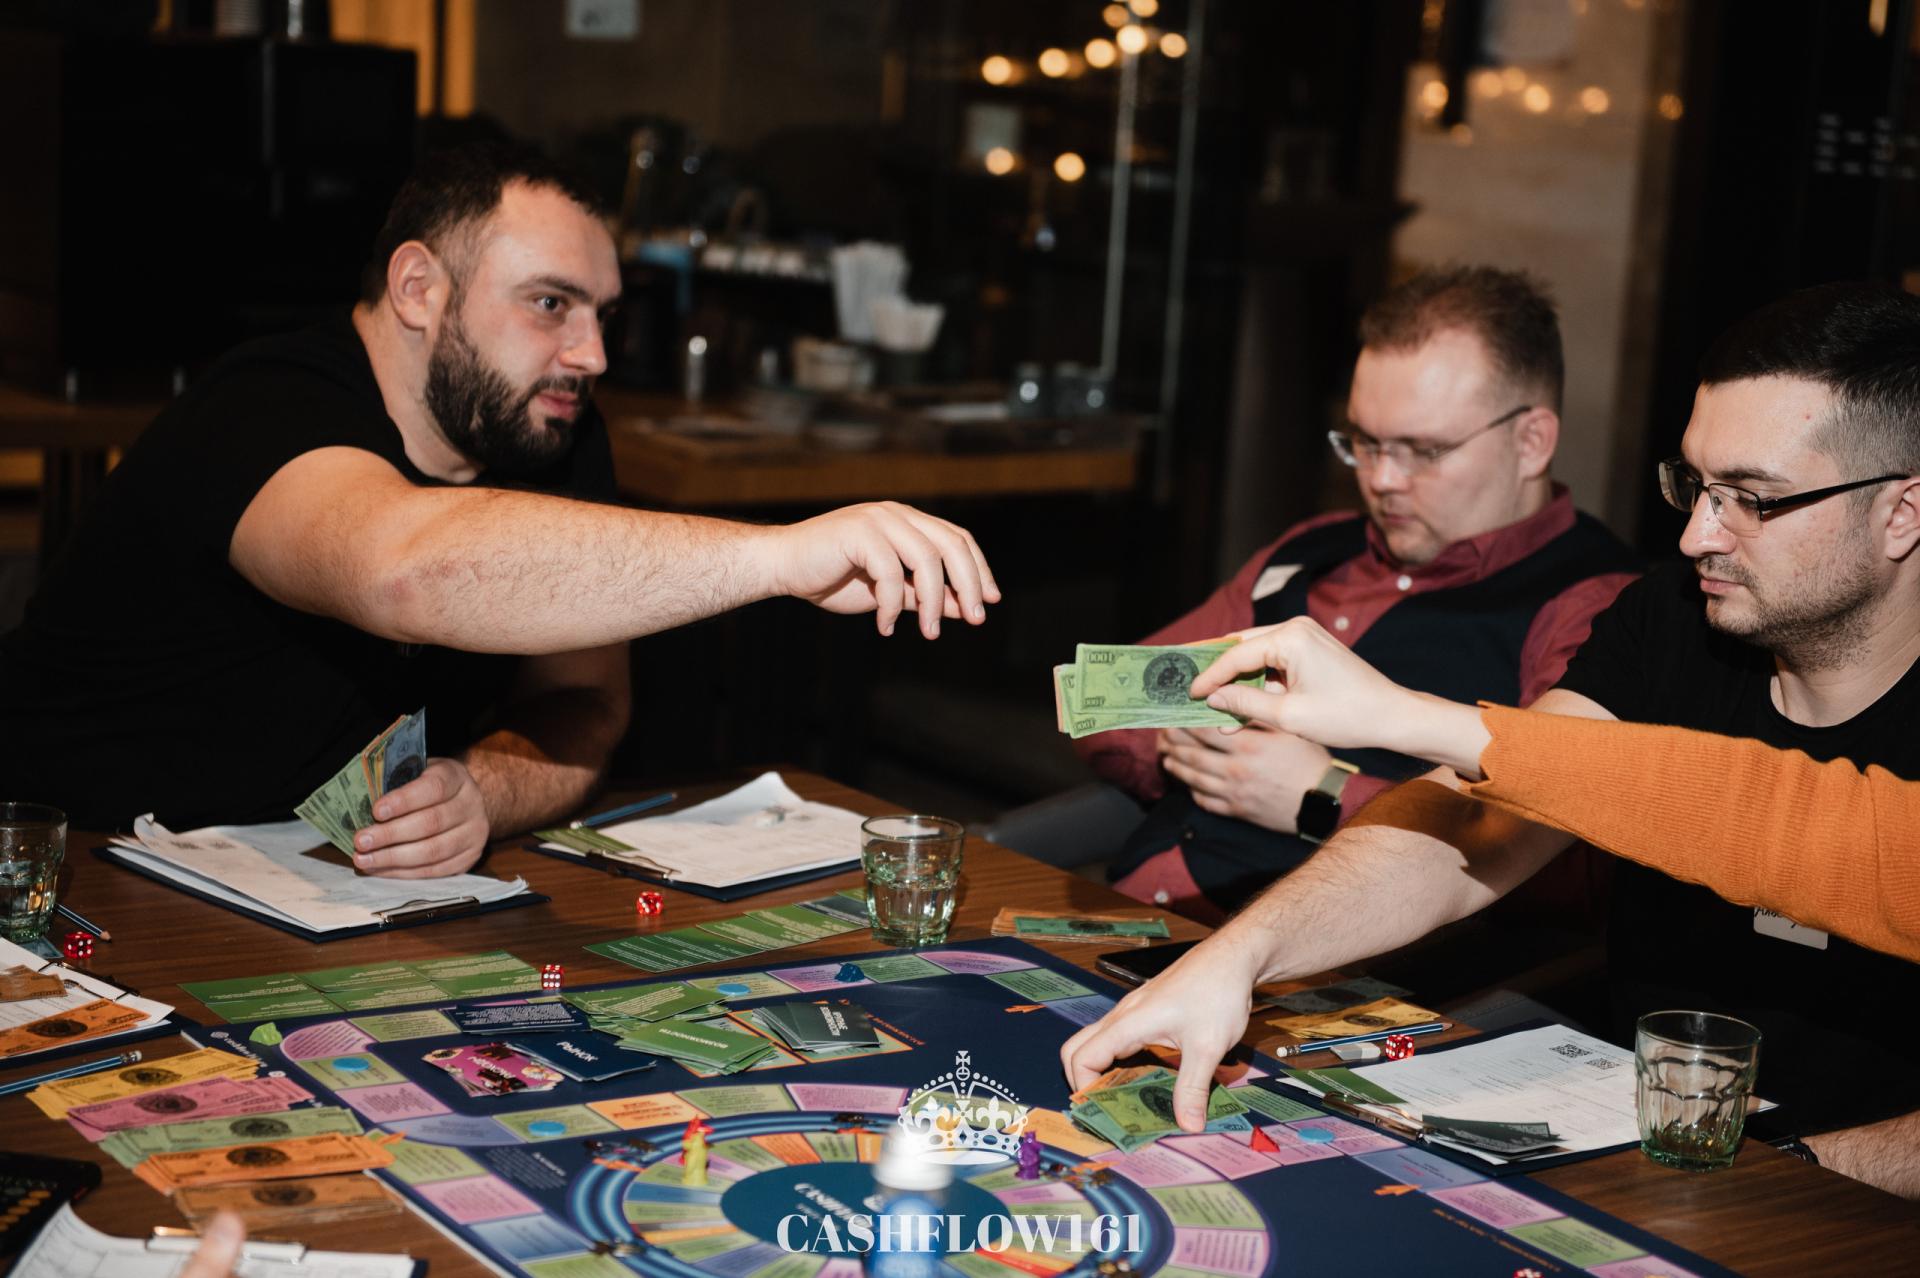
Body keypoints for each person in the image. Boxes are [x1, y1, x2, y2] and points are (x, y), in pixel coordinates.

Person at [1062, 281, 1920, 1198]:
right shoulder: (1673, 616)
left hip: (1845, 1198)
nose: (1697, 535)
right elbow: (1479, 821)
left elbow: (1802, 824)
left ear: (1902, 513)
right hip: (1623, 1150)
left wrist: (1792, 1176)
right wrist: (1239, 955)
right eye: (1695, 486)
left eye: (1751, 498)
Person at [0, 142, 998, 876]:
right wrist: (780, 557)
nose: (592, 355)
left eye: (603, 314)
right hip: (73, 868)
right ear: (418, 287)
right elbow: (405, 570)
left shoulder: (549, 429)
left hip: (314, 900)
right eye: (551, 304)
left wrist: (484, 788)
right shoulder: (265, 404)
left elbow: (587, 705)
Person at [1080, 266, 1638, 922]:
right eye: (1365, 443)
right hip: (1131, 911)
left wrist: (1323, 795)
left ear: (1532, 441)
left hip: (1322, 961)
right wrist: (1190, 753)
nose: (1382, 479)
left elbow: (1575, 871)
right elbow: (1103, 705)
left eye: (1423, 450)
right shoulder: (1312, 549)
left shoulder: (1596, 607)